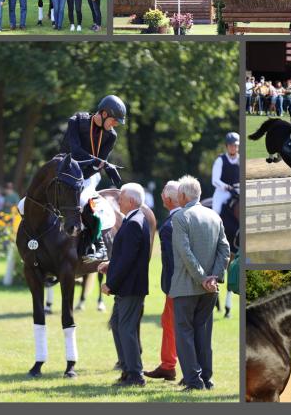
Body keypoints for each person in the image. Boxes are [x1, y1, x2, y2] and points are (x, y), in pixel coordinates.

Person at [19, 95, 126, 261]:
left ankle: (96, 245)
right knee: (22, 205)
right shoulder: (76, 121)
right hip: (64, 171)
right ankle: (30, 240)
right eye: (114, 120)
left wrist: (102, 164)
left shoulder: (111, 136)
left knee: (85, 203)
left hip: (88, 176)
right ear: (104, 113)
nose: (115, 125)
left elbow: (96, 165)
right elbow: (75, 152)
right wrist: (103, 163)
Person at [170, 176, 230, 391]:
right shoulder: (214, 215)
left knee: (184, 334)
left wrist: (202, 277)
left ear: (184, 195)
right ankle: (207, 378)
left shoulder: (180, 217)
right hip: (211, 288)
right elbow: (225, 251)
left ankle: (194, 382)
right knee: (204, 333)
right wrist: (213, 277)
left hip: (187, 286)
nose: (177, 197)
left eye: (178, 194)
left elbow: (185, 253)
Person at [98, 183, 151, 387]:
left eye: (121, 197)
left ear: (131, 201)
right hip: (129, 286)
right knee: (119, 326)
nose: (118, 201)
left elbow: (129, 260)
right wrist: (111, 264)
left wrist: (110, 284)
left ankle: (135, 375)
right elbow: (128, 256)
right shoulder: (134, 220)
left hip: (129, 288)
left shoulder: (134, 223)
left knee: (126, 329)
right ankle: (128, 370)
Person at [144, 180, 181, 382]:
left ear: (166, 199)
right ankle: (168, 364)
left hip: (176, 286)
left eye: (162, 195)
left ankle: (170, 365)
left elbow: (171, 261)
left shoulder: (168, 226)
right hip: (186, 284)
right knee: (168, 321)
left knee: (173, 323)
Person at [211, 133, 239, 319]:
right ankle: (212, 232)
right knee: (215, 212)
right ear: (227, 146)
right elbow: (215, 180)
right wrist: (227, 187)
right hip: (222, 192)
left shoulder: (240, 159)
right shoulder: (220, 160)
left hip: (237, 190)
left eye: (236, 145)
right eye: (231, 145)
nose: (233, 148)